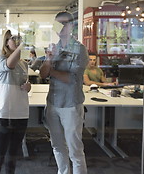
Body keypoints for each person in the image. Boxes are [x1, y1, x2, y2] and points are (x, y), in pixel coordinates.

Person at [40, 11, 88, 174]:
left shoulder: (80, 49)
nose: (60, 27)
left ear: (71, 26)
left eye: (64, 23)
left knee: (74, 150)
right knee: (57, 146)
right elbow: (42, 73)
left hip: (70, 105)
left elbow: (72, 79)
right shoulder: (54, 48)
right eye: (57, 24)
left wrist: (51, 69)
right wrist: (48, 59)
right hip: (53, 103)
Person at [0, 30, 31, 174]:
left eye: (20, 38)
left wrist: (28, 86)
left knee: (13, 154)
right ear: (7, 42)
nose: (18, 41)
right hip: (3, 114)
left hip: (21, 113)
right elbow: (10, 65)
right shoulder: (0, 59)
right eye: (14, 38)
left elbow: (25, 83)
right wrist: (23, 46)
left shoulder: (24, 64)